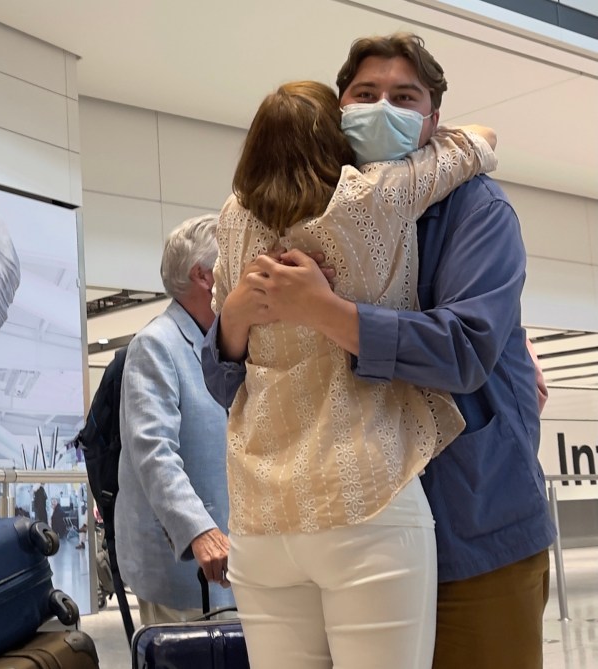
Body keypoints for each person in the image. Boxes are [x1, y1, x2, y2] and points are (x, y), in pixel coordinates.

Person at [203, 33, 555, 669]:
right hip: (330, 515)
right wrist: (231, 321)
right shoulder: (299, 209)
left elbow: (465, 349)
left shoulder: (475, 209)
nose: (383, 108)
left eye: (404, 97)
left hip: (473, 520)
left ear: (431, 118)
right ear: (339, 108)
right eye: (366, 95)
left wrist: (328, 313)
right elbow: (230, 380)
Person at [114, 214, 234, 626]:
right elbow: (153, 451)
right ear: (203, 276)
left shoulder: (228, 342)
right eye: (232, 260)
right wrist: (198, 528)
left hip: (235, 566)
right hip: (183, 570)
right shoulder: (156, 346)